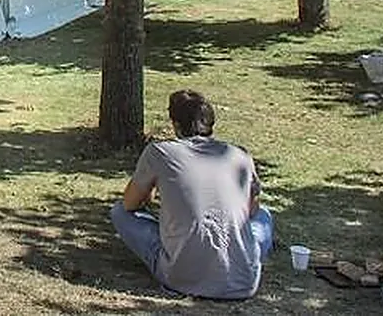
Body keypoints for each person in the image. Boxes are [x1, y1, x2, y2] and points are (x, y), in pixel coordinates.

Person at [111, 90, 273, 300]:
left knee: (119, 212)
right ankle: (241, 258)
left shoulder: (159, 152)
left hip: (179, 278)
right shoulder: (240, 155)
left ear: (175, 124)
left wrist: (151, 196)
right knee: (264, 217)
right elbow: (252, 211)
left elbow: (129, 204)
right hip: (244, 282)